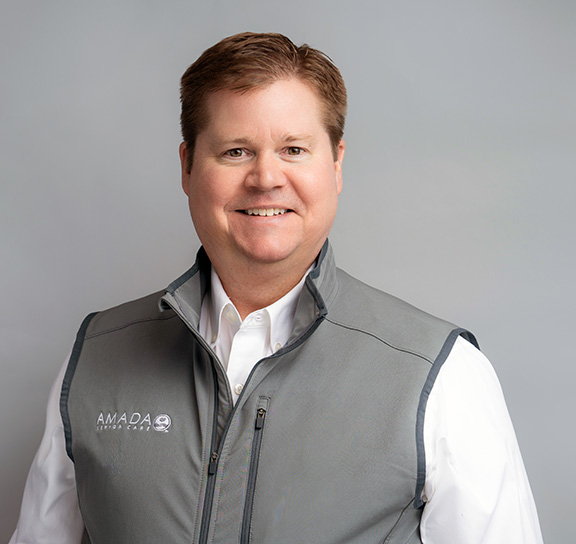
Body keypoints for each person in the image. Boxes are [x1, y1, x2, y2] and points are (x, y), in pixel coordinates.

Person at [10, 32, 543, 543]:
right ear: (187, 167)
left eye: (293, 149)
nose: (266, 178)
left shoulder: (441, 374)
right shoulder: (95, 358)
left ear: (336, 164)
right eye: (236, 151)